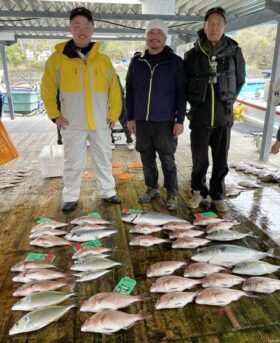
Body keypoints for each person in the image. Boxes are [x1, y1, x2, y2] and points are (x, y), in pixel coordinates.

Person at [41, 6, 122, 212]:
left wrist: (114, 114)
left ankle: (108, 191)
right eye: (77, 26)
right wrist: (54, 115)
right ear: (71, 28)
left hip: (100, 121)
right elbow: (47, 89)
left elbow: (115, 90)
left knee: (104, 158)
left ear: (93, 29)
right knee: (72, 162)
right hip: (72, 122)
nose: (82, 30)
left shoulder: (103, 60)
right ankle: (70, 196)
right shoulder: (57, 60)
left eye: (86, 26)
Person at [184, 7, 246, 212]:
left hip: (223, 118)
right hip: (199, 117)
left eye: (219, 23)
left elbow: (240, 80)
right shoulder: (192, 54)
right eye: (210, 23)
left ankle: (217, 194)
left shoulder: (235, 52)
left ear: (225, 27)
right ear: (204, 25)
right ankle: (198, 192)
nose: (214, 27)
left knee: (221, 160)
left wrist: (227, 103)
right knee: (199, 159)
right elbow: (184, 84)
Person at [126, 19, 186, 210]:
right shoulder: (137, 61)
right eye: (151, 33)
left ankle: (172, 192)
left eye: (159, 33)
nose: (154, 37)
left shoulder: (175, 63)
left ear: (165, 37)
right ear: (146, 37)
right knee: (146, 158)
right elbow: (130, 91)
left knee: (167, 159)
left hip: (166, 121)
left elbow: (181, 93)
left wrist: (180, 120)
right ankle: (152, 188)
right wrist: (130, 117)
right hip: (142, 121)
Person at [111, 75, 134, 150]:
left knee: (125, 123)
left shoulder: (115, 76)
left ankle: (129, 141)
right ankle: (111, 141)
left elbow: (121, 93)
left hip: (120, 103)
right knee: (109, 124)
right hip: (110, 104)